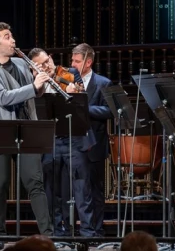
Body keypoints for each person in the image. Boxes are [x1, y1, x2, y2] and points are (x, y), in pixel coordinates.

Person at [0, 22, 52, 243]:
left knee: (35, 182)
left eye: (11, 36)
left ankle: (48, 235)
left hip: (26, 128)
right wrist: (33, 85)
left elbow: (35, 94)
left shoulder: (20, 63)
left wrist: (40, 83)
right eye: (7, 37)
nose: (13, 41)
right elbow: (3, 98)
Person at [28, 48, 97, 238]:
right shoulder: (34, 82)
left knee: (81, 187)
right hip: (50, 139)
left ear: (51, 58)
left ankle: (87, 232)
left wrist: (74, 93)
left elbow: (82, 97)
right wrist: (37, 84)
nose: (46, 66)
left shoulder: (70, 73)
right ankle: (57, 232)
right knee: (51, 188)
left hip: (74, 138)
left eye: (47, 61)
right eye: (40, 65)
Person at [64, 43, 112, 236]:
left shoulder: (103, 83)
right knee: (77, 190)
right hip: (73, 143)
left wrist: (83, 105)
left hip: (95, 144)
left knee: (95, 190)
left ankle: (97, 231)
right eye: (72, 60)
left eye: (77, 61)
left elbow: (109, 111)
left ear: (88, 62)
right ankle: (78, 229)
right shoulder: (66, 79)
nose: (72, 64)